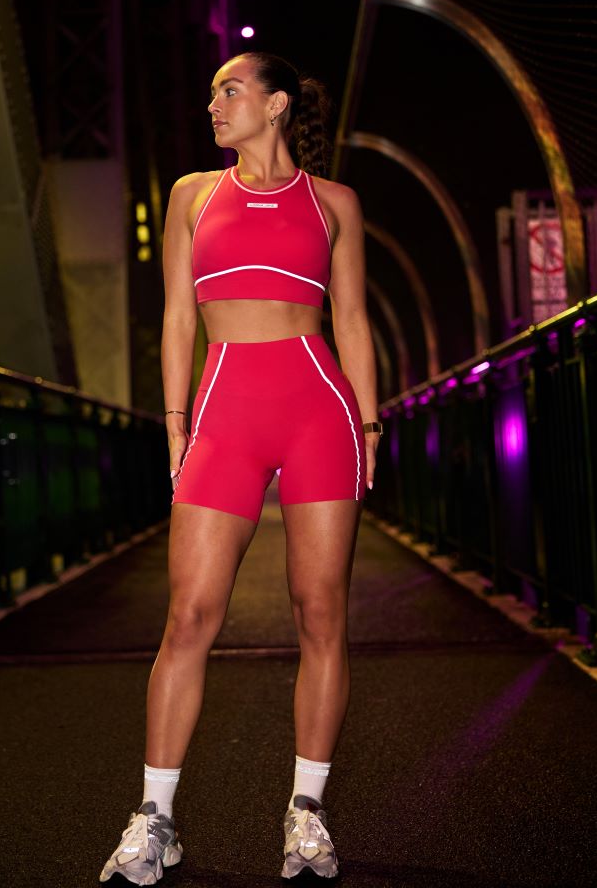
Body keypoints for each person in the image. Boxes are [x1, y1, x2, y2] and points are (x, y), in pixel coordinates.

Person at [100, 51, 380, 884]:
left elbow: (355, 319)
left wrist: (368, 421)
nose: (214, 103)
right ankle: (154, 820)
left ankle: (306, 815)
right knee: (189, 615)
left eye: (231, 89)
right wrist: (176, 423)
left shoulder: (335, 204)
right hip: (223, 415)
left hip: (318, 410)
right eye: (213, 89)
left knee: (319, 610)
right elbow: (178, 319)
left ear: (277, 103)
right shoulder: (193, 194)